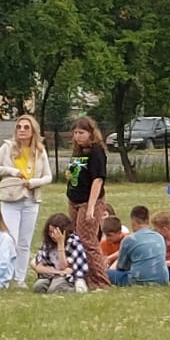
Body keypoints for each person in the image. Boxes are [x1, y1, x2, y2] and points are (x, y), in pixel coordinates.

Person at [0, 115, 55, 276]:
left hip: (31, 198)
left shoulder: (39, 151)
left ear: (33, 131)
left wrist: (34, 182)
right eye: (19, 127)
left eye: (26, 127)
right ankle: (7, 274)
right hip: (11, 197)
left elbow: (48, 176)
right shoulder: (8, 147)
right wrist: (11, 171)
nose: (22, 130)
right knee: (11, 239)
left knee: (25, 242)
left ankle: (20, 277)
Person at [64, 117, 110, 289]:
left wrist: (91, 207)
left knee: (88, 240)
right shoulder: (78, 151)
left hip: (88, 201)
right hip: (74, 199)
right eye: (75, 133)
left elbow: (98, 180)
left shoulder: (96, 152)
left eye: (82, 133)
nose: (78, 136)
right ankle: (85, 277)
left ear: (91, 133)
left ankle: (102, 282)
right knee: (76, 239)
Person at [108, 209, 170, 287]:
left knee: (107, 274)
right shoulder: (159, 237)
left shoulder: (129, 240)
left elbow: (121, 267)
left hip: (138, 280)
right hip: (162, 280)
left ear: (133, 221)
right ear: (148, 221)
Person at [30, 213, 90, 293]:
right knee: (38, 287)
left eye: (55, 233)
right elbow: (39, 267)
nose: (52, 235)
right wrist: (58, 272)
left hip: (67, 277)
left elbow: (63, 266)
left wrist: (60, 243)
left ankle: (76, 289)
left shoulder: (73, 243)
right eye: (50, 232)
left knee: (53, 289)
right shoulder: (48, 243)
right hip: (52, 275)